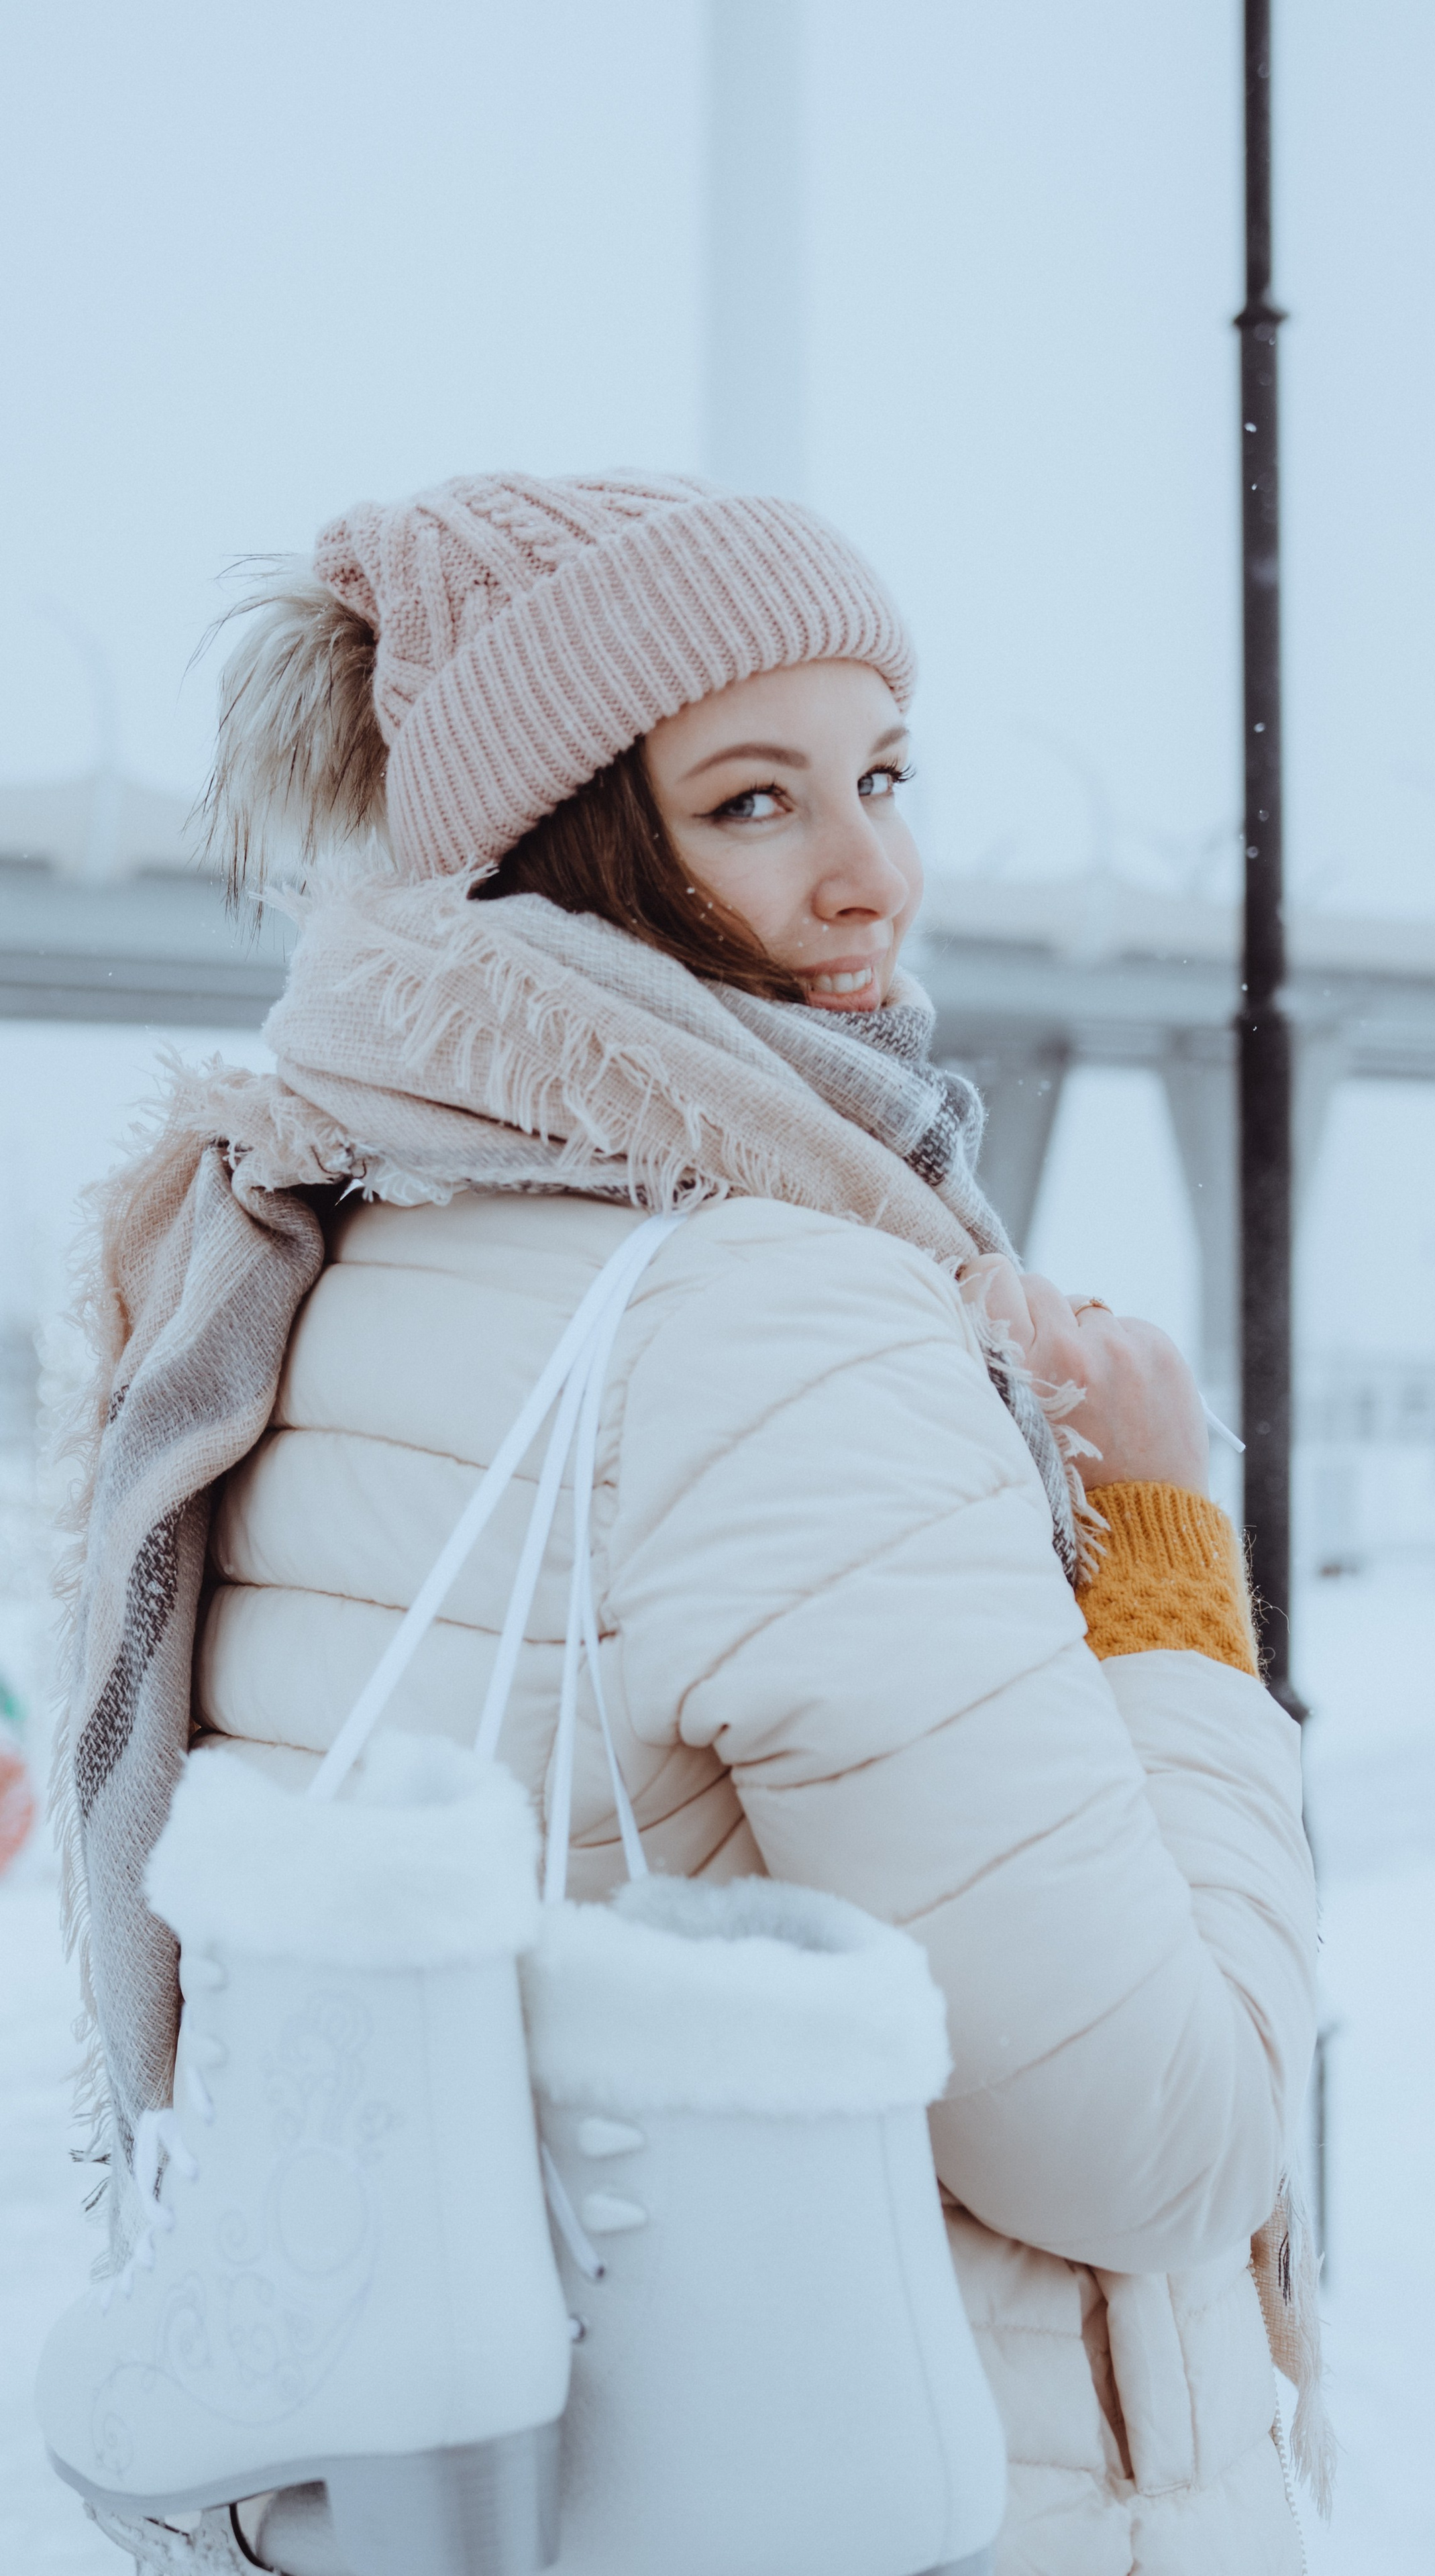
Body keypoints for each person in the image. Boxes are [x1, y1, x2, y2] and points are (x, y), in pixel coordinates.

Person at [58, 473, 1321, 2576]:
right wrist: (1171, 1557)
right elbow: (1161, 2144)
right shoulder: (779, 1315)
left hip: (466, 2485)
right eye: (754, 802)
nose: (875, 876)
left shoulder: (293, 1266)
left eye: (885, 775)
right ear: (568, 848)